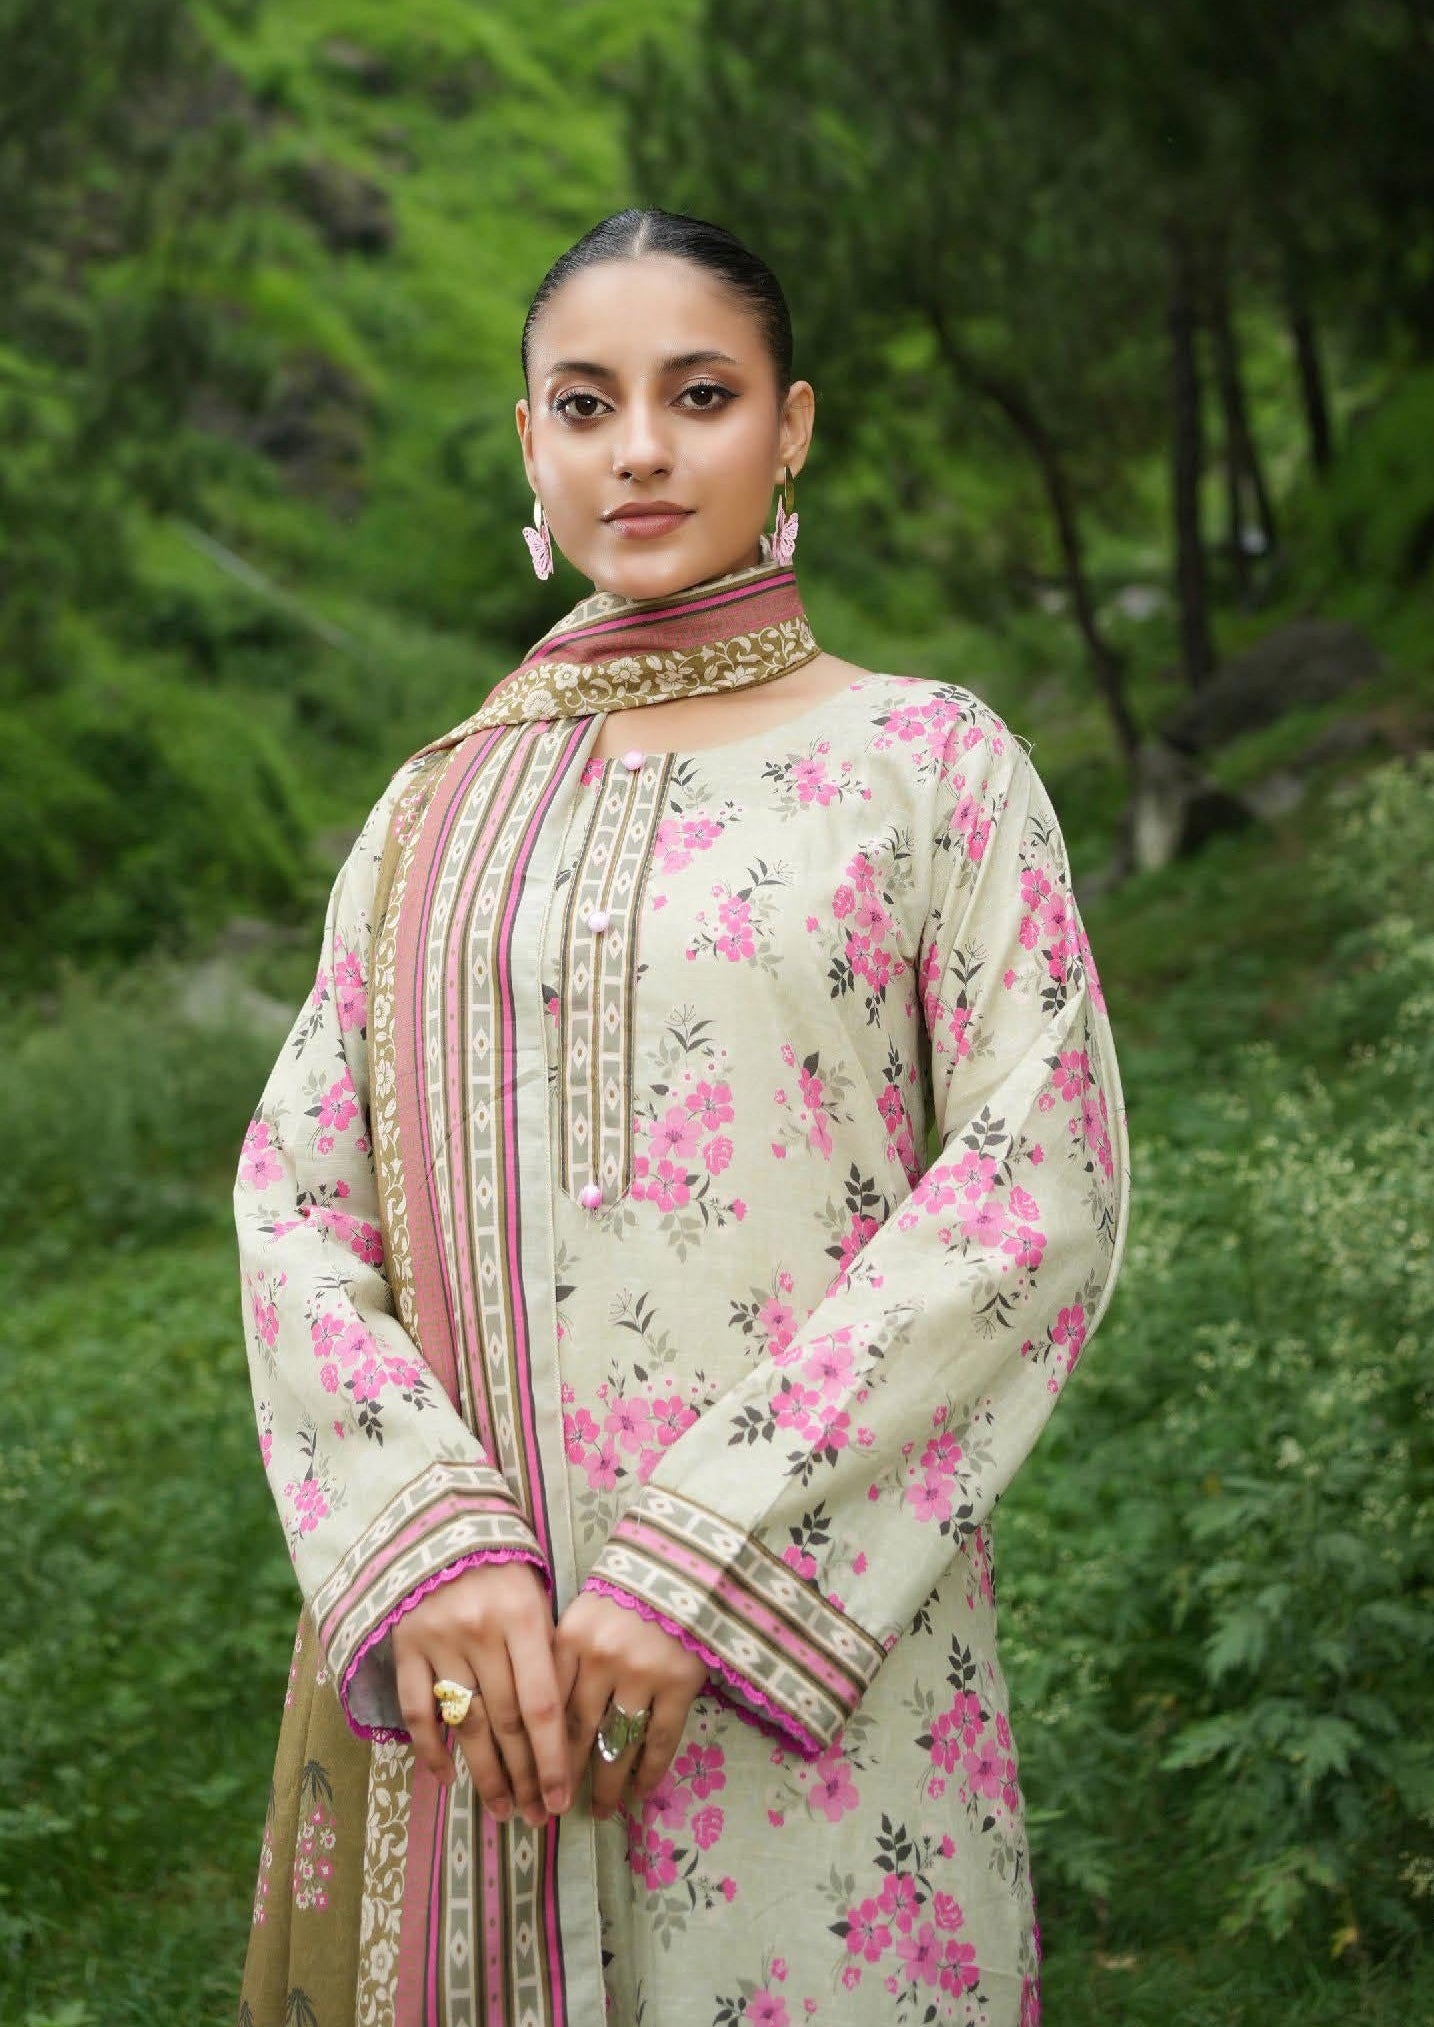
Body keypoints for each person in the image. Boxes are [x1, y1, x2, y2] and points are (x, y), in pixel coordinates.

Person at [233, 206, 1132, 2027]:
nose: (636, 449)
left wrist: (701, 1560)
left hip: (808, 1642)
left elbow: (1033, 1188)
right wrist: (435, 1546)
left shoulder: (927, 766)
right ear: (530, 445)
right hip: (479, 1677)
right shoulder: (426, 812)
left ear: (790, 426)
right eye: (585, 404)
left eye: (698, 395)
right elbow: (297, 1206)